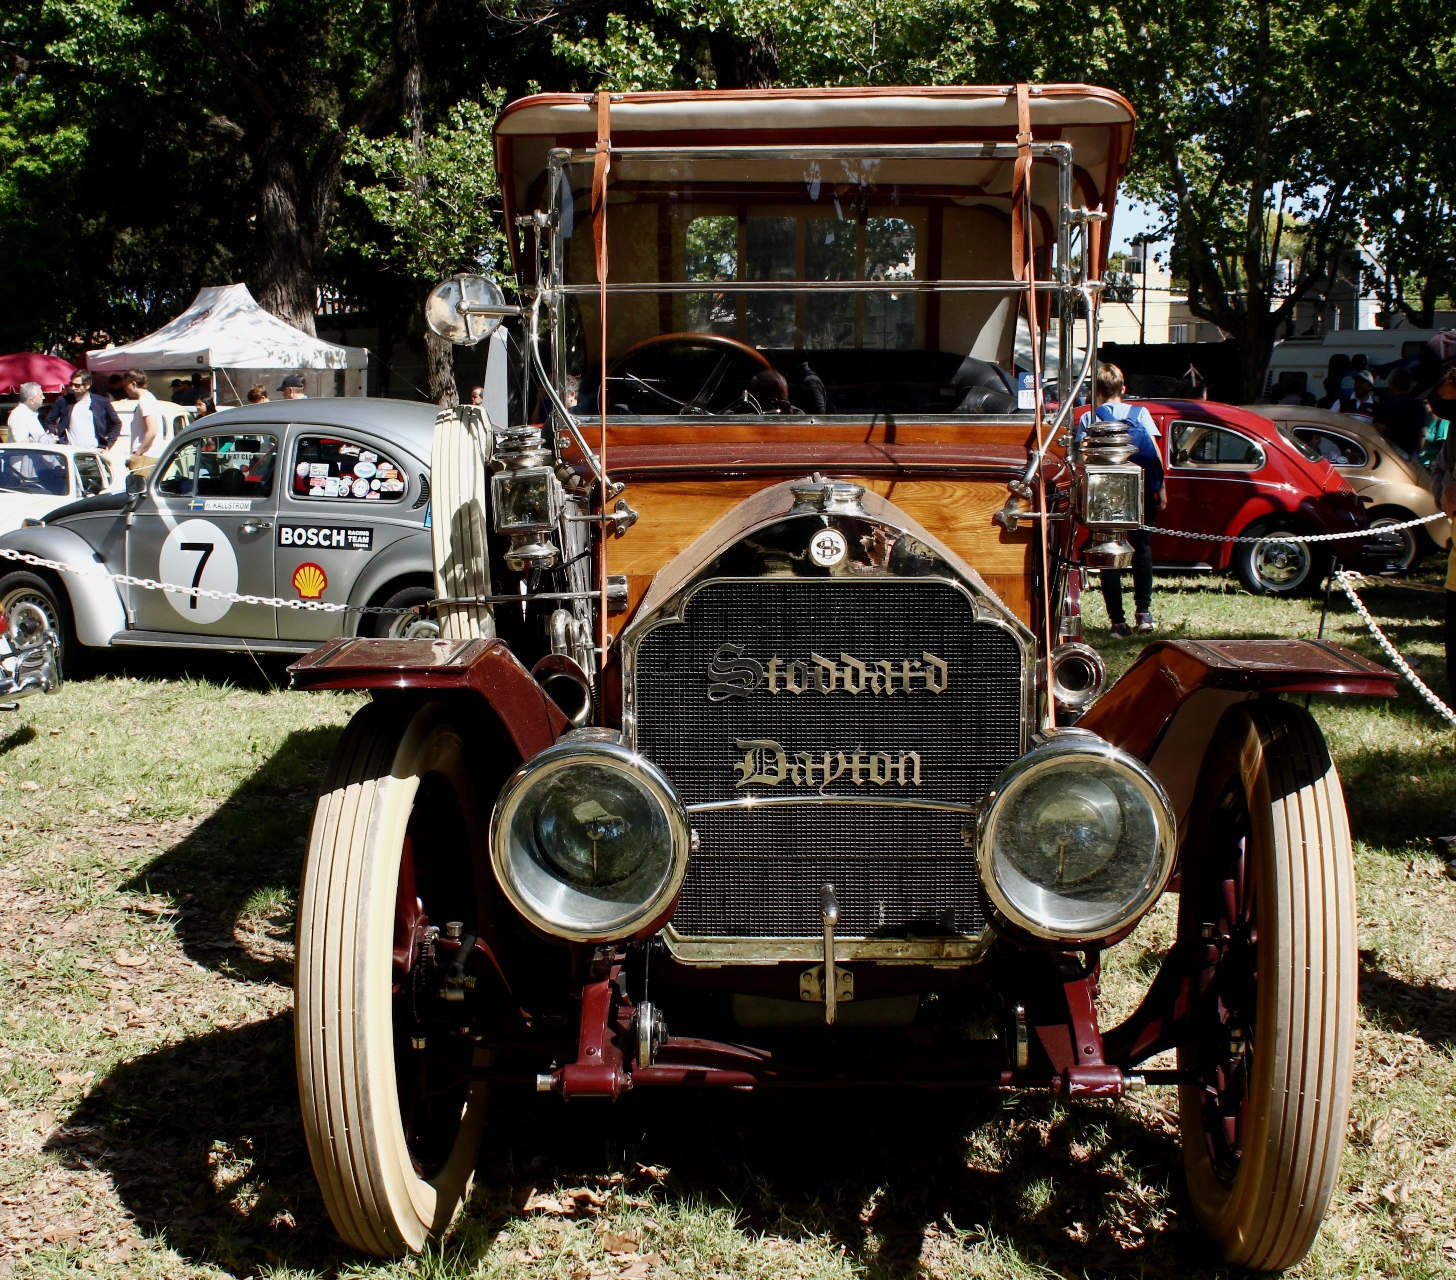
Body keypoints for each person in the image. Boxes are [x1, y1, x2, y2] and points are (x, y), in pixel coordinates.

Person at [1076, 362, 1166, 637]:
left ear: (1096, 391)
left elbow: (1082, 459)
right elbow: (1155, 453)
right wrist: (1160, 489)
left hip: (1104, 497)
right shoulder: (1141, 413)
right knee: (1143, 550)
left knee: (1108, 554)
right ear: (1123, 389)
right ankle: (1144, 613)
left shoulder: (1088, 418)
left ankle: (1118, 621)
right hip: (1139, 492)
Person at [44, 370, 122, 450]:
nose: (73, 388)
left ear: (87, 385)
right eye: (71, 384)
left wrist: (108, 445)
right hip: (71, 451)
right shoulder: (64, 401)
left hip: (94, 452)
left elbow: (117, 423)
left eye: (77, 385)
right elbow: (49, 420)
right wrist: (56, 436)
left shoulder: (102, 402)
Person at [1373, 367, 1425, 457]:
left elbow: (1377, 432)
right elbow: (1422, 435)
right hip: (1410, 457)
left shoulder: (1386, 405)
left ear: (1391, 383)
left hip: (1389, 456)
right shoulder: (1419, 406)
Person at [122, 369, 165, 472]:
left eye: (125, 385)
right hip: (146, 456)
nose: (124, 388)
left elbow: (152, 430)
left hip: (146, 456)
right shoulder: (147, 399)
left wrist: (138, 453)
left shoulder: (145, 400)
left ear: (133, 383)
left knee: (140, 487)